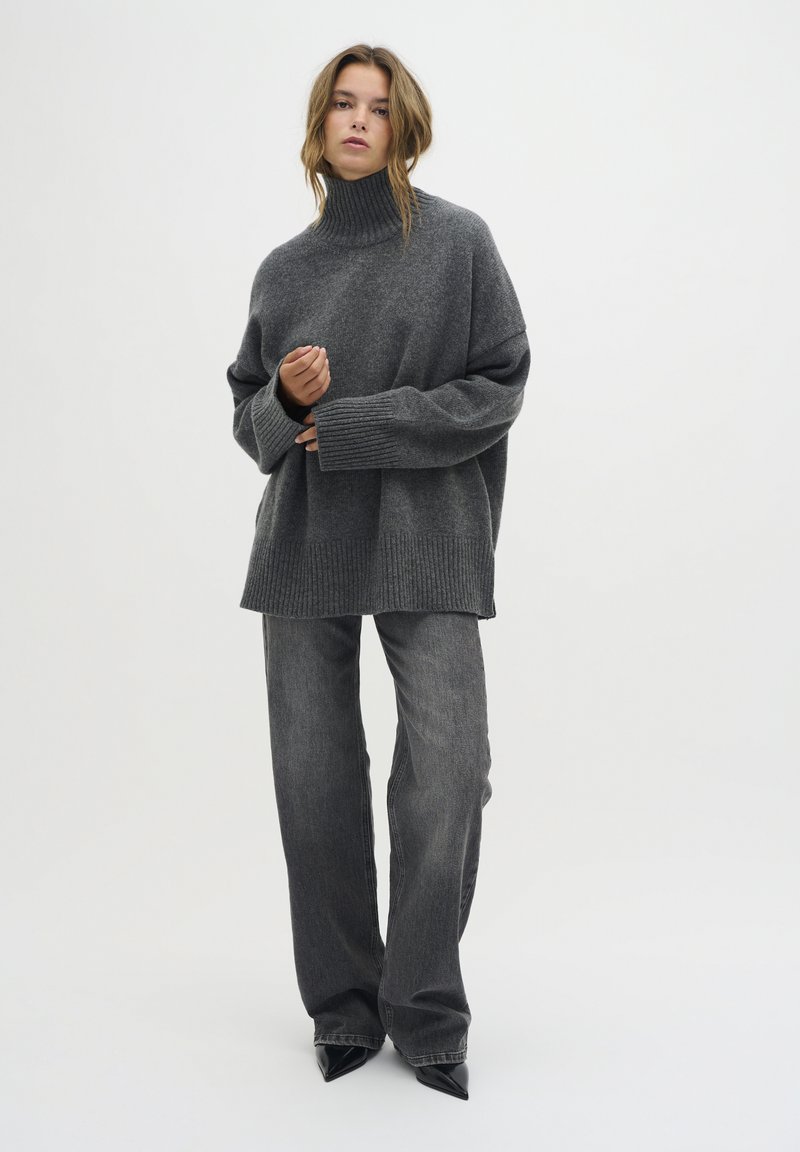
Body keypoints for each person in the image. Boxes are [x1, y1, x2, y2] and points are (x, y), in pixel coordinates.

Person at [226, 44, 531, 1101]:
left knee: (449, 771)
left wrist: (354, 422)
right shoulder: (284, 270)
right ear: (319, 128)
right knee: (313, 782)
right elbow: (250, 425)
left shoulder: (457, 244)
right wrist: (287, 400)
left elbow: (499, 384)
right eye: (341, 105)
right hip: (304, 546)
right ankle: (345, 1010)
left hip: (429, 536)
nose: (359, 120)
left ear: (406, 126)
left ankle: (425, 1008)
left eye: (379, 107)